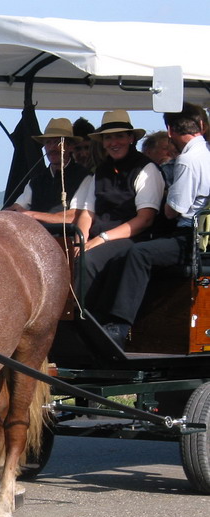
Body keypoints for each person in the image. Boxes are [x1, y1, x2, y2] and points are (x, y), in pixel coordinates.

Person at [97, 103, 210, 346]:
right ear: (200, 125)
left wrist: (166, 195)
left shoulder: (187, 160)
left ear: (169, 130)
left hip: (188, 239)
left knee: (138, 253)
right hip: (200, 238)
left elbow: (172, 211)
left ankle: (119, 325)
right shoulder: (206, 152)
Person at [69, 109, 165, 344]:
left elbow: (145, 219)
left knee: (88, 260)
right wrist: (79, 240)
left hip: (135, 236)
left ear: (131, 138)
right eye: (109, 138)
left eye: (120, 136)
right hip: (101, 237)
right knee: (68, 255)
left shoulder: (146, 169)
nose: (114, 143)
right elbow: (87, 213)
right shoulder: (99, 172)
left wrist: (100, 239)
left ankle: (87, 326)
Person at [6, 117, 93, 224]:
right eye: (48, 142)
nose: (52, 148)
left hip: (64, 239)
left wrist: (31, 214)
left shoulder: (85, 178)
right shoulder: (36, 181)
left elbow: (74, 217)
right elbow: (16, 208)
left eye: (57, 142)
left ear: (70, 146)